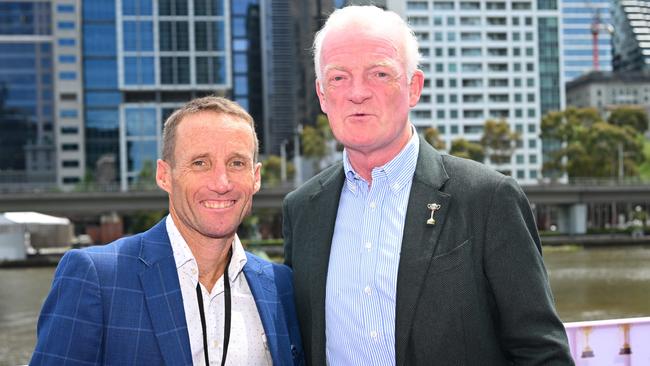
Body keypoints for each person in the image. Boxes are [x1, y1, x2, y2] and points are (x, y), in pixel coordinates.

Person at [282, 6, 573, 366]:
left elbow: (542, 354)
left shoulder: (487, 199)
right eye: (338, 78)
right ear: (322, 95)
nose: (357, 93)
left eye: (379, 73)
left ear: (413, 87)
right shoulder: (302, 210)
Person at [32, 96, 304, 365]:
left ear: (255, 177)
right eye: (200, 163)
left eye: (236, 163)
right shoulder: (97, 278)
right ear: (164, 175)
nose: (221, 183)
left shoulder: (281, 286)